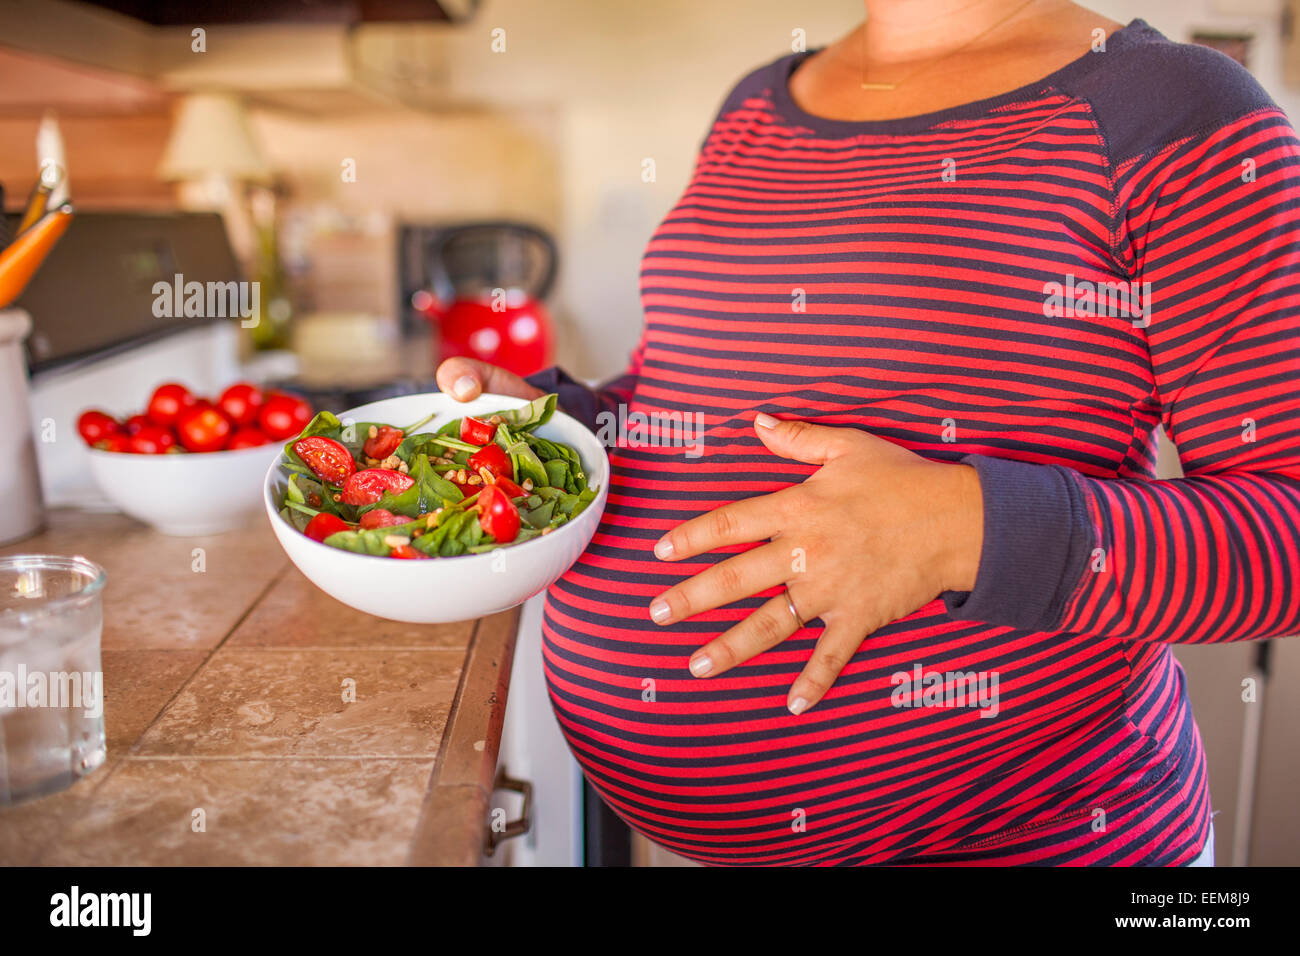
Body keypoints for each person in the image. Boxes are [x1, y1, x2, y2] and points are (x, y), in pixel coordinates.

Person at [437, 1, 1299, 865]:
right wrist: (564, 426)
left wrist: (961, 531)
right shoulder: (755, 106)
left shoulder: (1174, 109)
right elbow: (705, 396)